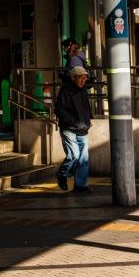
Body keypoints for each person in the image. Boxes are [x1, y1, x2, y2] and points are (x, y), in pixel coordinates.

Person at [53, 64, 93, 193]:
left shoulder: (83, 89)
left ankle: (80, 185)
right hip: (69, 128)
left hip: (83, 129)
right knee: (74, 155)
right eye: (80, 78)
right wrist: (74, 122)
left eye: (84, 78)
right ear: (74, 78)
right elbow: (59, 110)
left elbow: (86, 107)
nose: (83, 80)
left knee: (83, 159)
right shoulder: (66, 90)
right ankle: (62, 174)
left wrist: (87, 122)